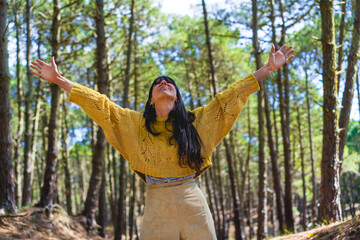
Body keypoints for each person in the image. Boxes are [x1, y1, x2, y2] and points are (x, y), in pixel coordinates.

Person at [30, 44, 294, 240]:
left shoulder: (197, 121)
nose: (164, 82)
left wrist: (268, 68)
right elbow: (101, 105)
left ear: (177, 97)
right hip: (156, 203)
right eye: (158, 83)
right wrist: (59, 80)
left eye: (169, 82)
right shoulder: (134, 124)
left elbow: (231, 97)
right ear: (150, 100)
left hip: (192, 199)